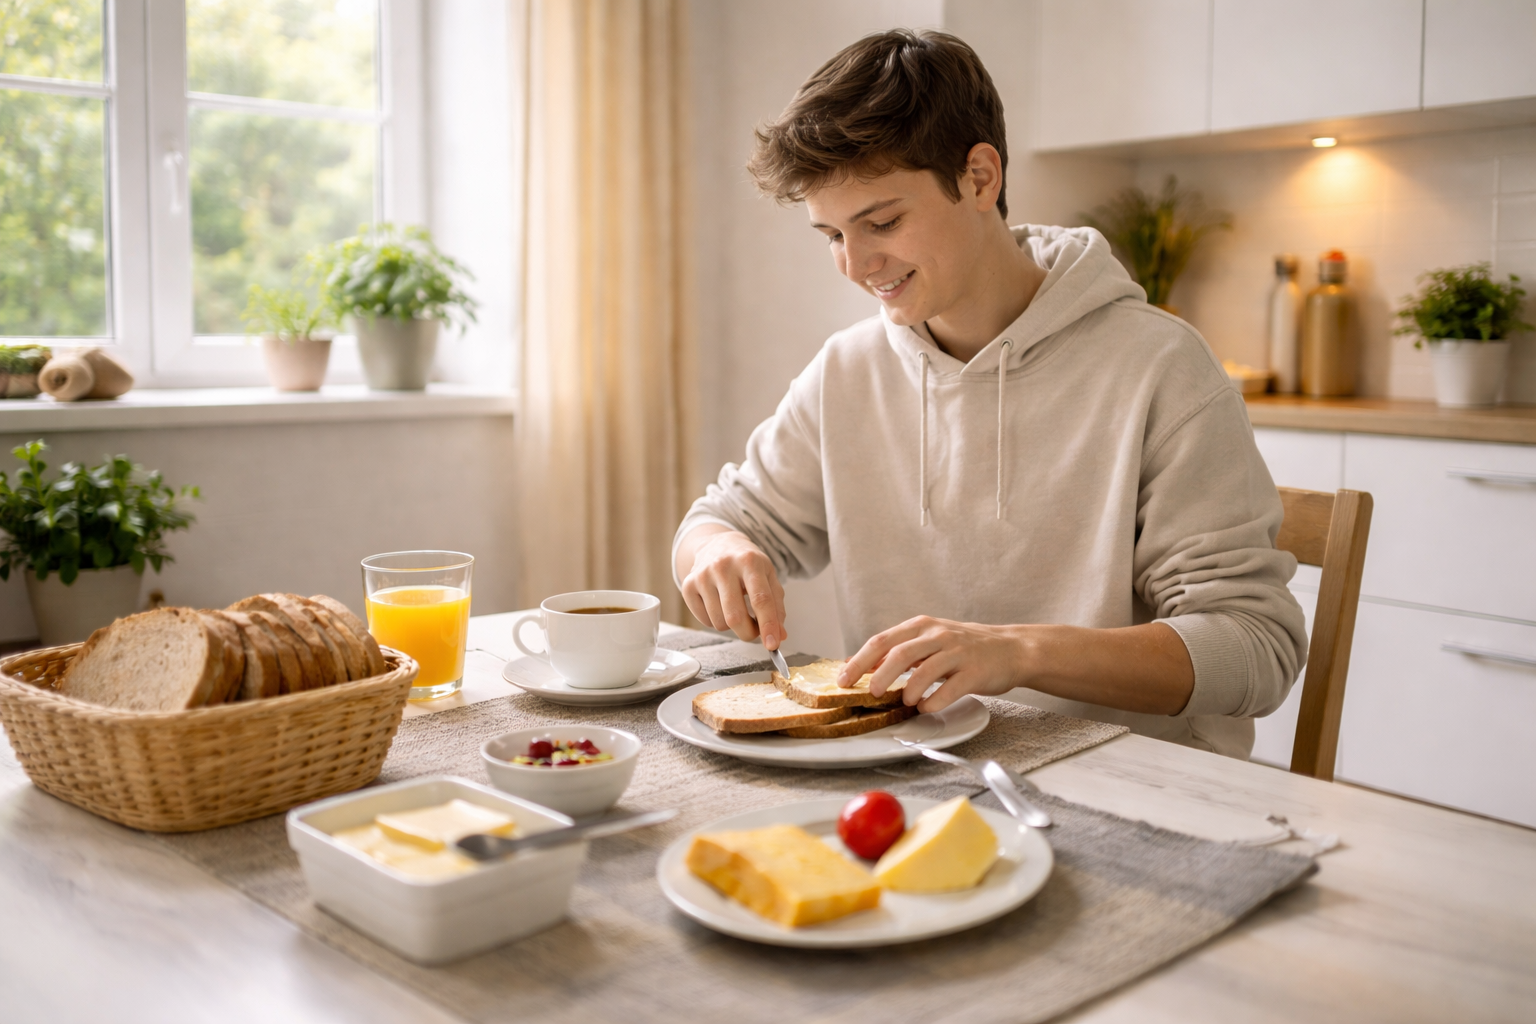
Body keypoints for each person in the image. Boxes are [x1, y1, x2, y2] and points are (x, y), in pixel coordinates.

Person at [671, 29, 1306, 758]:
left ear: (980, 177)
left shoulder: (1159, 366)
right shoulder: (847, 371)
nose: (856, 265)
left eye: (882, 222)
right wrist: (716, 549)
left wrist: (1018, 654)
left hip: (1129, 788)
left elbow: (1256, 650)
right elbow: (720, 519)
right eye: (831, 236)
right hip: (918, 774)